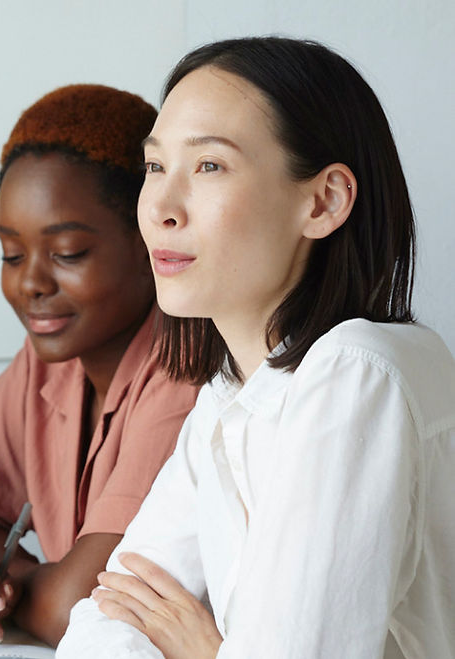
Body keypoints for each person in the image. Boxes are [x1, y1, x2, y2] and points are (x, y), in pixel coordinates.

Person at [57, 36, 455, 659]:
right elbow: (101, 626)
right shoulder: (228, 396)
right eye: (156, 167)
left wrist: (206, 651)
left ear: (323, 201)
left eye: (209, 166)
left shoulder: (358, 370)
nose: (160, 205)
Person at [0, 84, 200, 647]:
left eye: (67, 254)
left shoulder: (187, 367)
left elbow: (79, 608)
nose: (31, 283)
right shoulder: (46, 365)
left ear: (148, 240)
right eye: (12, 255)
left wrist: (5, 570)